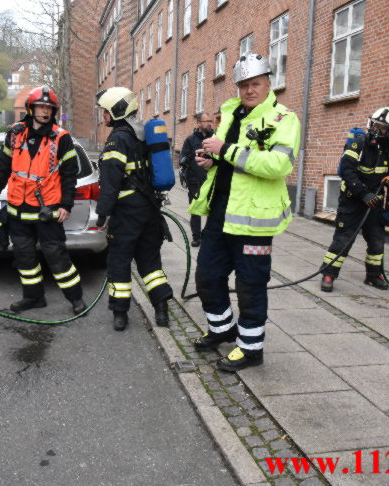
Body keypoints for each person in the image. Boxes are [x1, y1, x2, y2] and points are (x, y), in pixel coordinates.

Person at [189, 54, 300, 372]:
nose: (249, 90)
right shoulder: (231, 113)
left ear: (268, 83)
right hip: (221, 213)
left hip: (255, 222)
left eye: (256, 84)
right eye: (244, 85)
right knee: (208, 275)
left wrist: (226, 151)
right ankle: (222, 329)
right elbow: (228, 157)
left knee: (251, 284)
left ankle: (251, 348)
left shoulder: (283, 119)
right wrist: (213, 159)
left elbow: (279, 165)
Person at [0, 86, 86, 314]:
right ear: (31, 109)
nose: (45, 111)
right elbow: (3, 165)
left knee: (57, 257)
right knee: (25, 258)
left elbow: (70, 175)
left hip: (47, 210)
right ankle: (33, 298)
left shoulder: (61, 138)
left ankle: (76, 299)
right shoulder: (14, 134)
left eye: (49, 108)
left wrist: (66, 204)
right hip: (17, 211)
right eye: (41, 107)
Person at [95, 87, 173, 331]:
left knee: (119, 262)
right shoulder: (143, 134)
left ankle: (120, 314)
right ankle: (161, 310)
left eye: (106, 111)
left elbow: (111, 181)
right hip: (150, 211)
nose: (104, 116)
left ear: (117, 111)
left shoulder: (118, 138)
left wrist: (102, 213)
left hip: (127, 213)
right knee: (150, 264)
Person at [319, 108, 389, 293]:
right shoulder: (358, 144)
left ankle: (373, 276)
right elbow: (347, 171)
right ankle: (328, 274)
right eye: (375, 125)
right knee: (343, 240)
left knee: (376, 241)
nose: (377, 130)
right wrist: (364, 193)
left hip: (375, 205)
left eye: (383, 128)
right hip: (352, 202)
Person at [179, 113, 213, 246]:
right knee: (195, 210)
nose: (209, 123)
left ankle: (209, 236)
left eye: (210, 120)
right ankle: (196, 237)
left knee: (212, 210)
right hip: (195, 180)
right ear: (199, 123)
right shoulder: (190, 140)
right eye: (206, 121)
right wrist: (186, 159)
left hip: (211, 181)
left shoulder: (215, 138)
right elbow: (182, 157)